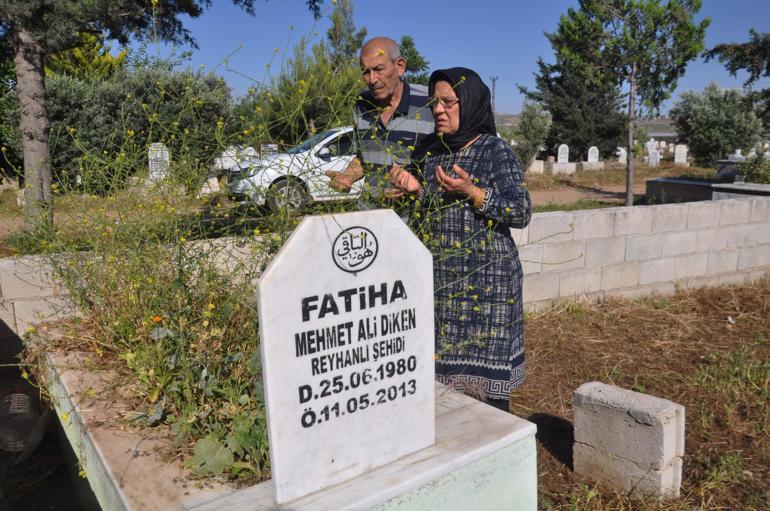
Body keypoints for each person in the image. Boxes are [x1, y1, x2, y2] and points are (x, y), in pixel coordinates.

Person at [390, 67, 532, 411]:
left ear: (468, 104)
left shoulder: (494, 150)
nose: (438, 109)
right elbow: (429, 211)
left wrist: (473, 192)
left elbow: (521, 211)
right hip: (445, 285)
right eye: (434, 103)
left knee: (490, 399)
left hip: (488, 287)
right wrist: (414, 191)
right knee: (444, 389)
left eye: (448, 102)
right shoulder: (430, 152)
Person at [326, 37, 434, 204]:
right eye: (365, 72)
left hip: (415, 220)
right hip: (371, 214)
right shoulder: (361, 104)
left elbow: (449, 164)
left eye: (378, 69)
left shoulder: (430, 103)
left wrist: (417, 188)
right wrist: (347, 176)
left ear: (400, 66)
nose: (372, 79)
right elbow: (366, 156)